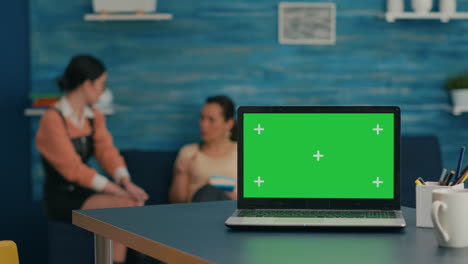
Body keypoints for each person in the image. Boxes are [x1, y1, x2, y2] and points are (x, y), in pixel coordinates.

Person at [36, 55, 148, 264]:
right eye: (101, 84)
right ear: (87, 84)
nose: (104, 90)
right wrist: (117, 190)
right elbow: (74, 170)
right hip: (61, 198)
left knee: (129, 203)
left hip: (84, 192)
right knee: (125, 206)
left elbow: (107, 151)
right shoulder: (52, 119)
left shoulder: (93, 116)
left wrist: (126, 182)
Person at [169, 95, 237, 203]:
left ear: (229, 123)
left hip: (231, 210)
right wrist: (181, 173)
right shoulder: (189, 152)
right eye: (202, 118)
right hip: (197, 211)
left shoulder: (245, 151)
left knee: (215, 193)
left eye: (211, 120)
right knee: (208, 191)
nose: (203, 124)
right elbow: (177, 202)